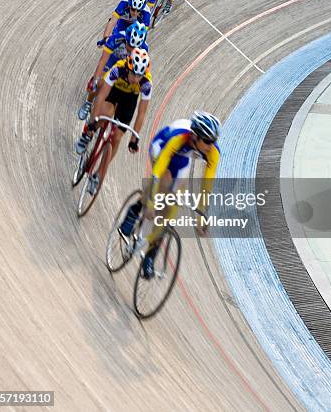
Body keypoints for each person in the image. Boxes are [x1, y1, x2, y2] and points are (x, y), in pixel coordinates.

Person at [119, 111, 221, 278]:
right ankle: (135, 210)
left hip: (182, 159)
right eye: (208, 141)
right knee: (163, 183)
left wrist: (201, 216)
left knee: (171, 210)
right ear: (195, 136)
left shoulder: (213, 152)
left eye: (214, 141)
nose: (211, 145)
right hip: (162, 148)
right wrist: (151, 203)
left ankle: (150, 256)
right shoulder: (178, 137)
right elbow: (157, 174)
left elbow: (206, 186)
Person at [75, 48, 152, 195]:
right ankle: (87, 135)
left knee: (117, 138)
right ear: (128, 67)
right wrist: (93, 120)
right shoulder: (118, 69)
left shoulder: (146, 84)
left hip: (129, 100)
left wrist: (134, 139)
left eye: (139, 75)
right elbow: (102, 95)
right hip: (113, 92)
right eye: (133, 73)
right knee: (106, 112)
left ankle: (98, 174)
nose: (135, 78)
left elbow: (141, 113)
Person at [77, 21, 148, 120]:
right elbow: (103, 61)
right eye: (129, 45)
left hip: (126, 67)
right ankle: (88, 102)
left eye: (134, 47)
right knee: (99, 83)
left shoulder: (144, 48)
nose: (130, 49)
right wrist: (95, 79)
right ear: (126, 39)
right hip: (112, 60)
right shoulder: (116, 38)